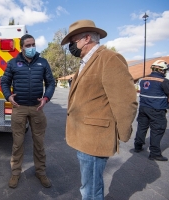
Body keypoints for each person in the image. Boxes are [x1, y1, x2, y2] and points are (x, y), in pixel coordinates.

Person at [61, 20, 138, 199]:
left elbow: (126, 101)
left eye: (73, 41)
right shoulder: (86, 61)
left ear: (87, 38)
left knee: (90, 190)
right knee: (88, 186)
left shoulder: (109, 59)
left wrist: (123, 133)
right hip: (85, 137)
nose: (71, 46)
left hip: (95, 139)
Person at [1, 34, 55, 188]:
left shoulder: (43, 63)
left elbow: (51, 83)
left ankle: (41, 172)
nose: (31, 48)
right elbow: (4, 82)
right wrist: (8, 96)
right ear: (22, 47)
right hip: (19, 108)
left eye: (33, 44)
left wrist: (46, 98)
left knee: (39, 143)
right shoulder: (13, 63)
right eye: (28, 45)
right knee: (17, 143)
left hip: (37, 108)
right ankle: (15, 173)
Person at [134, 60, 169, 161]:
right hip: (157, 110)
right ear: (161, 70)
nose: (165, 72)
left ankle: (138, 146)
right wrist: (165, 103)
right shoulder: (164, 81)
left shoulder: (143, 79)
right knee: (157, 130)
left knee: (142, 127)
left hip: (143, 108)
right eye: (165, 70)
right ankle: (155, 153)